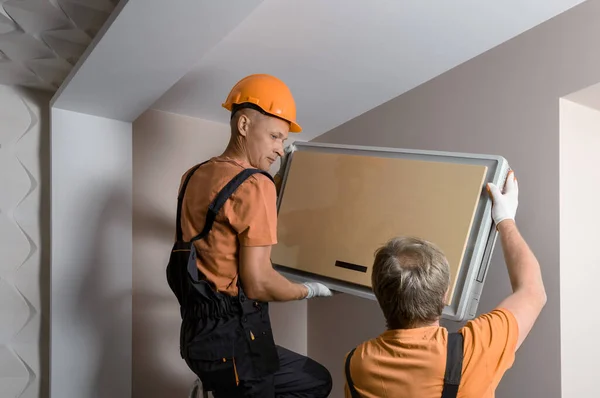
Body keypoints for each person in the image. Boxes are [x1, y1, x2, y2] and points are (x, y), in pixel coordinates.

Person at [166, 73, 333, 398]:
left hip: (196, 334)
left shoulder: (194, 174)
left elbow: (217, 231)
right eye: (274, 136)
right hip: (234, 336)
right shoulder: (256, 185)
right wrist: (309, 290)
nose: (279, 150)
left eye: (283, 141)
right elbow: (257, 283)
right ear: (243, 126)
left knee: (313, 380)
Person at [343, 170, 547, 398]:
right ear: (444, 294)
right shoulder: (474, 349)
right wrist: (505, 219)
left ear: (379, 294)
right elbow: (532, 291)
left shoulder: (357, 364)